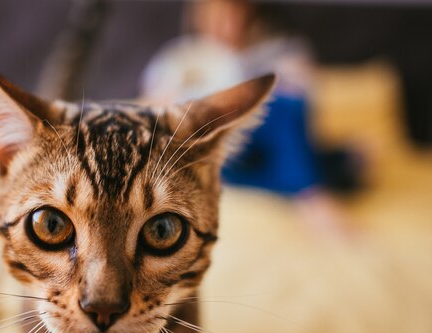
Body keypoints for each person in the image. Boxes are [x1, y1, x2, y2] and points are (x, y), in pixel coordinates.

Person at [141, 0, 364, 236]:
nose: (224, 25)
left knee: (281, 105)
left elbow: (305, 100)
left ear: (248, 14)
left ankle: (317, 183)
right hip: (216, 150)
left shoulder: (277, 50)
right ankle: (322, 180)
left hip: (264, 141)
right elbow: (150, 109)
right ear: (198, 17)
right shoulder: (182, 59)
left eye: (232, 15)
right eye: (215, 15)